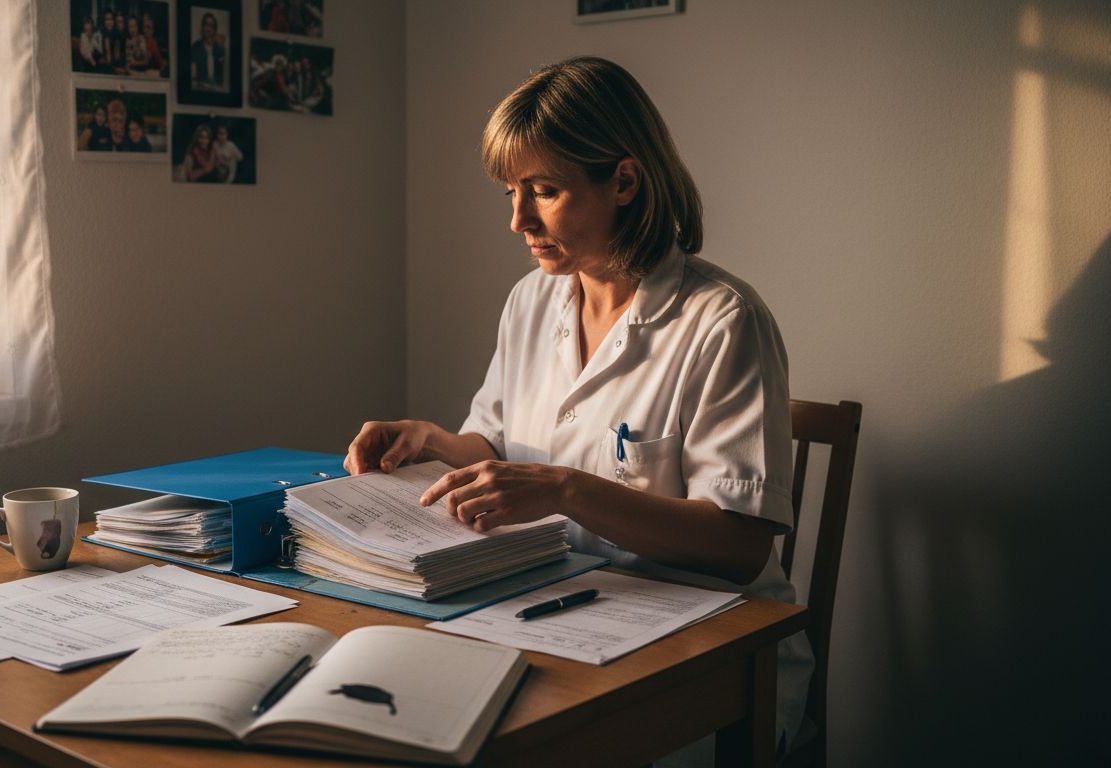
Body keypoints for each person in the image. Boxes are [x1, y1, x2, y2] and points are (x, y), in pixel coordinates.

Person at [342, 56, 812, 766]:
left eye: (545, 191)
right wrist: (433, 440)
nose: (517, 220)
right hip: (557, 616)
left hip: (704, 653)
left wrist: (567, 488)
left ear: (623, 181)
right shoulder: (533, 299)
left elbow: (741, 545)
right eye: (511, 193)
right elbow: (498, 450)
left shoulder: (722, 321)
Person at [190, 13, 226, 91]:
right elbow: (193, 75)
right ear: (202, 27)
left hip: (217, 90)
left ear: (215, 29)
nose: (208, 29)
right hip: (200, 89)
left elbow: (224, 76)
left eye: (211, 26)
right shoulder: (195, 47)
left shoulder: (219, 48)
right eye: (206, 25)